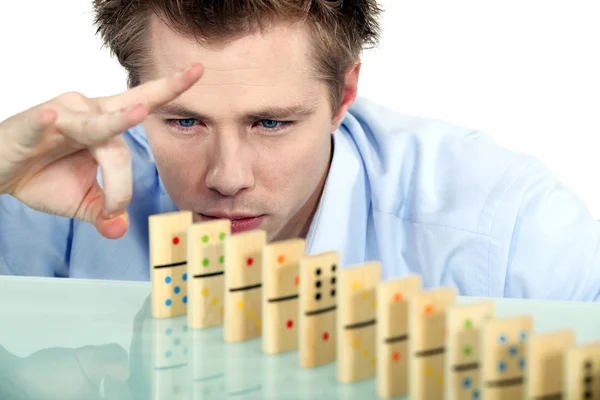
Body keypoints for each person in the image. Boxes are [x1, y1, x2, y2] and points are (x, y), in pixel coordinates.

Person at [0, 0, 598, 301]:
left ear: (345, 95)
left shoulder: (507, 227)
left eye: (270, 123)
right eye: (184, 121)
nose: (227, 177)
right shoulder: (51, 194)